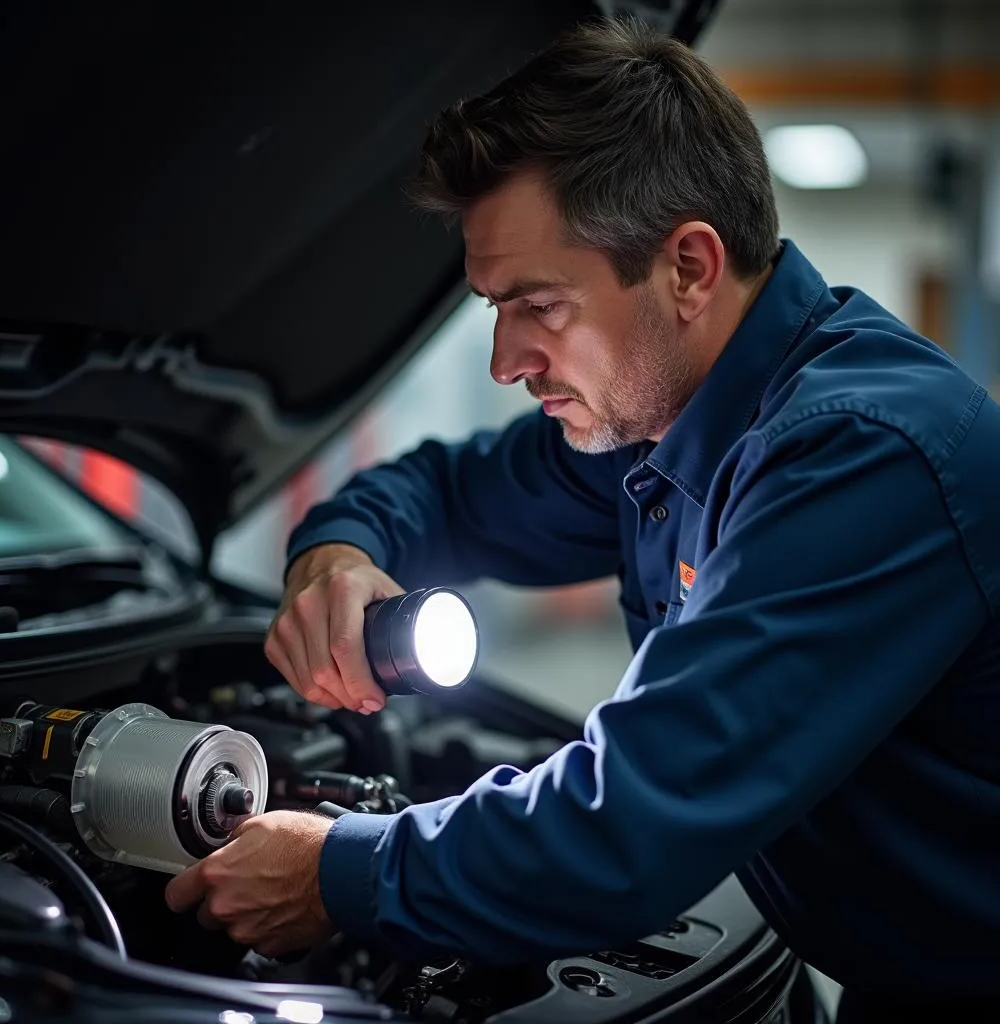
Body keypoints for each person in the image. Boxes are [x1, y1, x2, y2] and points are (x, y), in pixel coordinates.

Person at [164, 18, 1000, 1019]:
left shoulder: (860, 451)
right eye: (493, 309)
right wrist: (336, 554)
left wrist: (336, 870)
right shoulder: (659, 423)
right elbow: (436, 491)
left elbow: (629, 820)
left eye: (539, 305)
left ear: (687, 267)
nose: (504, 361)